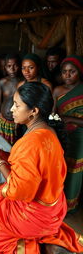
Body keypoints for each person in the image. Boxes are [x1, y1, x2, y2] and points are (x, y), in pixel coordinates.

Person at [0, 82, 83, 254]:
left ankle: (34, 246)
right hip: (54, 207)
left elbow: (16, 189)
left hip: (36, 214)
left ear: (34, 111)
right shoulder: (47, 131)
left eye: (17, 105)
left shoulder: (31, 143)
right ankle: (49, 242)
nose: (11, 110)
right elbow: (21, 165)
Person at [53, 55, 83, 213]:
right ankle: (56, 206)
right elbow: (52, 115)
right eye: (64, 72)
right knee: (59, 170)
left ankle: (69, 207)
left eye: (72, 71)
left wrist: (69, 118)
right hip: (62, 136)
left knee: (74, 172)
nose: (67, 75)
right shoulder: (57, 90)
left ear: (80, 72)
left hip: (80, 138)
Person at [0, 54, 21, 145]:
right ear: (5, 67)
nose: (12, 69)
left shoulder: (23, 83)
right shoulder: (2, 82)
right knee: (3, 145)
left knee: (17, 145)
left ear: (19, 66)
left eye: (15, 66)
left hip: (17, 122)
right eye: (9, 66)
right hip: (3, 121)